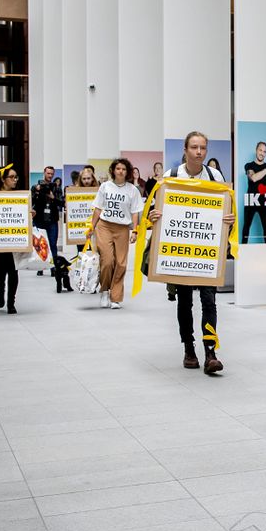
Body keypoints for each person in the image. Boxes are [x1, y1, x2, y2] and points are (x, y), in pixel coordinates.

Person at [147, 131, 234, 374]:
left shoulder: (214, 175)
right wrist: (153, 215)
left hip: (207, 250)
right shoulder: (171, 176)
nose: (198, 152)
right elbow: (156, 210)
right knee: (184, 301)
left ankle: (210, 351)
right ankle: (188, 347)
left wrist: (229, 216)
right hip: (181, 253)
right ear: (185, 150)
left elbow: (226, 206)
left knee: (209, 301)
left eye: (203, 148)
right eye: (194, 147)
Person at [90, 158, 144, 309]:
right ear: (113, 170)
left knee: (121, 263)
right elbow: (98, 208)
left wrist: (135, 230)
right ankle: (105, 291)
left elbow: (135, 212)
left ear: (127, 172)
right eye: (118, 168)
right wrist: (91, 227)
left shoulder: (132, 190)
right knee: (107, 261)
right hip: (104, 226)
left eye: (124, 169)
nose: (120, 171)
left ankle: (116, 297)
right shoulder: (105, 186)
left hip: (122, 229)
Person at [0, 166, 21, 313]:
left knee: (14, 271)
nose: (15, 180)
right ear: (3, 179)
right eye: (12, 177)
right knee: (0, 271)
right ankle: (1, 291)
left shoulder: (19, 197)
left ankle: (11, 303)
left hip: (14, 241)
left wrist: (30, 213)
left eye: (16, 177)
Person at [241, 142, 266, 243]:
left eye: (264, 151)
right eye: (260, 150)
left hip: (264, 201)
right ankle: (243, 251)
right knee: (246, 227)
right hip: (251, 200)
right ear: (256, 150)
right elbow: (253, 178)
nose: (262, 153)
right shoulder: (249, 166)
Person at [32, 166, 61, 278]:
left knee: (53, 244)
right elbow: (31, 201)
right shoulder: (35, 187)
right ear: (44, 173)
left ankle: (53, 267)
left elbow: (61, 203)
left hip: (52, 220)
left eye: (51, 174)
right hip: (39, 219)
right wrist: (37, 192)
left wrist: (53, 197)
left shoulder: (56, 188)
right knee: (40, 244)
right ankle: (40, 267)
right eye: (48, 173)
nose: (50, 176)